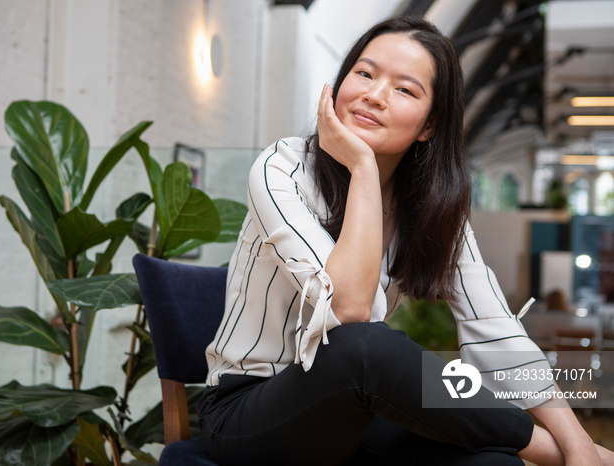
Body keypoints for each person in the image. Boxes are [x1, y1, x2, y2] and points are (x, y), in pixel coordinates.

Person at [197, 16, 614, 465]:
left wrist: (579, 445)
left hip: (352, 413)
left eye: (404, 89)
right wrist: (361, 167)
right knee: (365, 347)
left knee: (492, 461)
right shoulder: (283, 168)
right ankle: (547, 451)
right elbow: (349, 312)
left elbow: (498, 332)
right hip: (247, 414)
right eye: (365, 73)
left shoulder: (431, 208)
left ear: (429, 125)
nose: (374, 95)